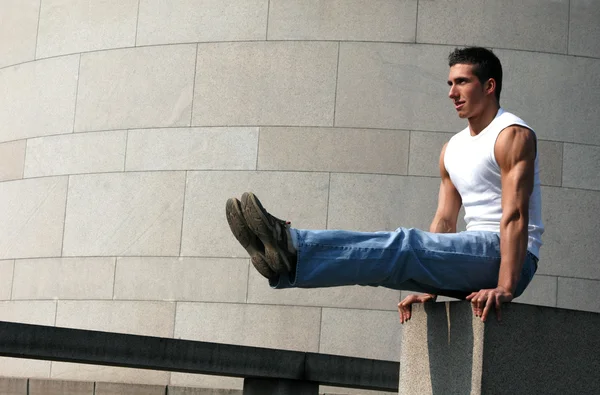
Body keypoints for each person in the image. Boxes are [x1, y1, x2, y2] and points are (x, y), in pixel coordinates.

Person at [226, 47, 543, 323]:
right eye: (450, 83)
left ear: (489, 86)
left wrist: (505, 287)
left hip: (510, 257)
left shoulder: (512, 135)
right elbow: (445, 221)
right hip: (472, 254)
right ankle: (284, 264)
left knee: (403, 245)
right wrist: (428, 288)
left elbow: (515, 216)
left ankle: (293, 245)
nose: (451, 93)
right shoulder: (453, 149)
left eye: (462, 82)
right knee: (391, 267)